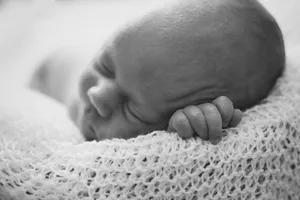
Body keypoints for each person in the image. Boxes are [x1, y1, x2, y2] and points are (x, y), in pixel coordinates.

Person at [30, 0, 285, 144]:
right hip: (49, 65)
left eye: (130, 108)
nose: (97, 94)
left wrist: (191, 126)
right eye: (104, 65)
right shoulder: (79, 82)